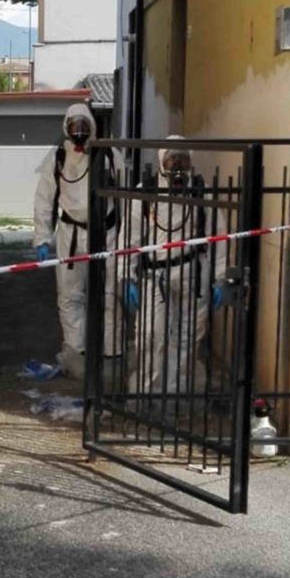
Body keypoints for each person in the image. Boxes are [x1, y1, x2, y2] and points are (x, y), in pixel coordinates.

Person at [118, 136, 227, 403]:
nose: (177, 166)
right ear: (161, 162)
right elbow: (130, 237)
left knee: (188, 335)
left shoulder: (200, 192)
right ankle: (148, 390)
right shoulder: (147, 192)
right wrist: (126, 275)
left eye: (183, 160)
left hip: (194, 271)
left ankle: (175, 390)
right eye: (172, 160)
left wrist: (220, 277)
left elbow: (219, 236)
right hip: (156, 273)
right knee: (151, 334)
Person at [32, 103, 118, 376]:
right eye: (74, 126)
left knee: (109, 294)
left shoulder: (109, 154)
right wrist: (42, 237)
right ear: (66, 128)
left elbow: (127, 197)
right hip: (71, 234)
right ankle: (76, 352)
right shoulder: (58, 157)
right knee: (70, 296)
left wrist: (129, 238)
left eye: (84, 125)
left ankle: (111, 353)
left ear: (92, 126)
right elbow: (44, 199)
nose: (79, 131)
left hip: (105, 233)